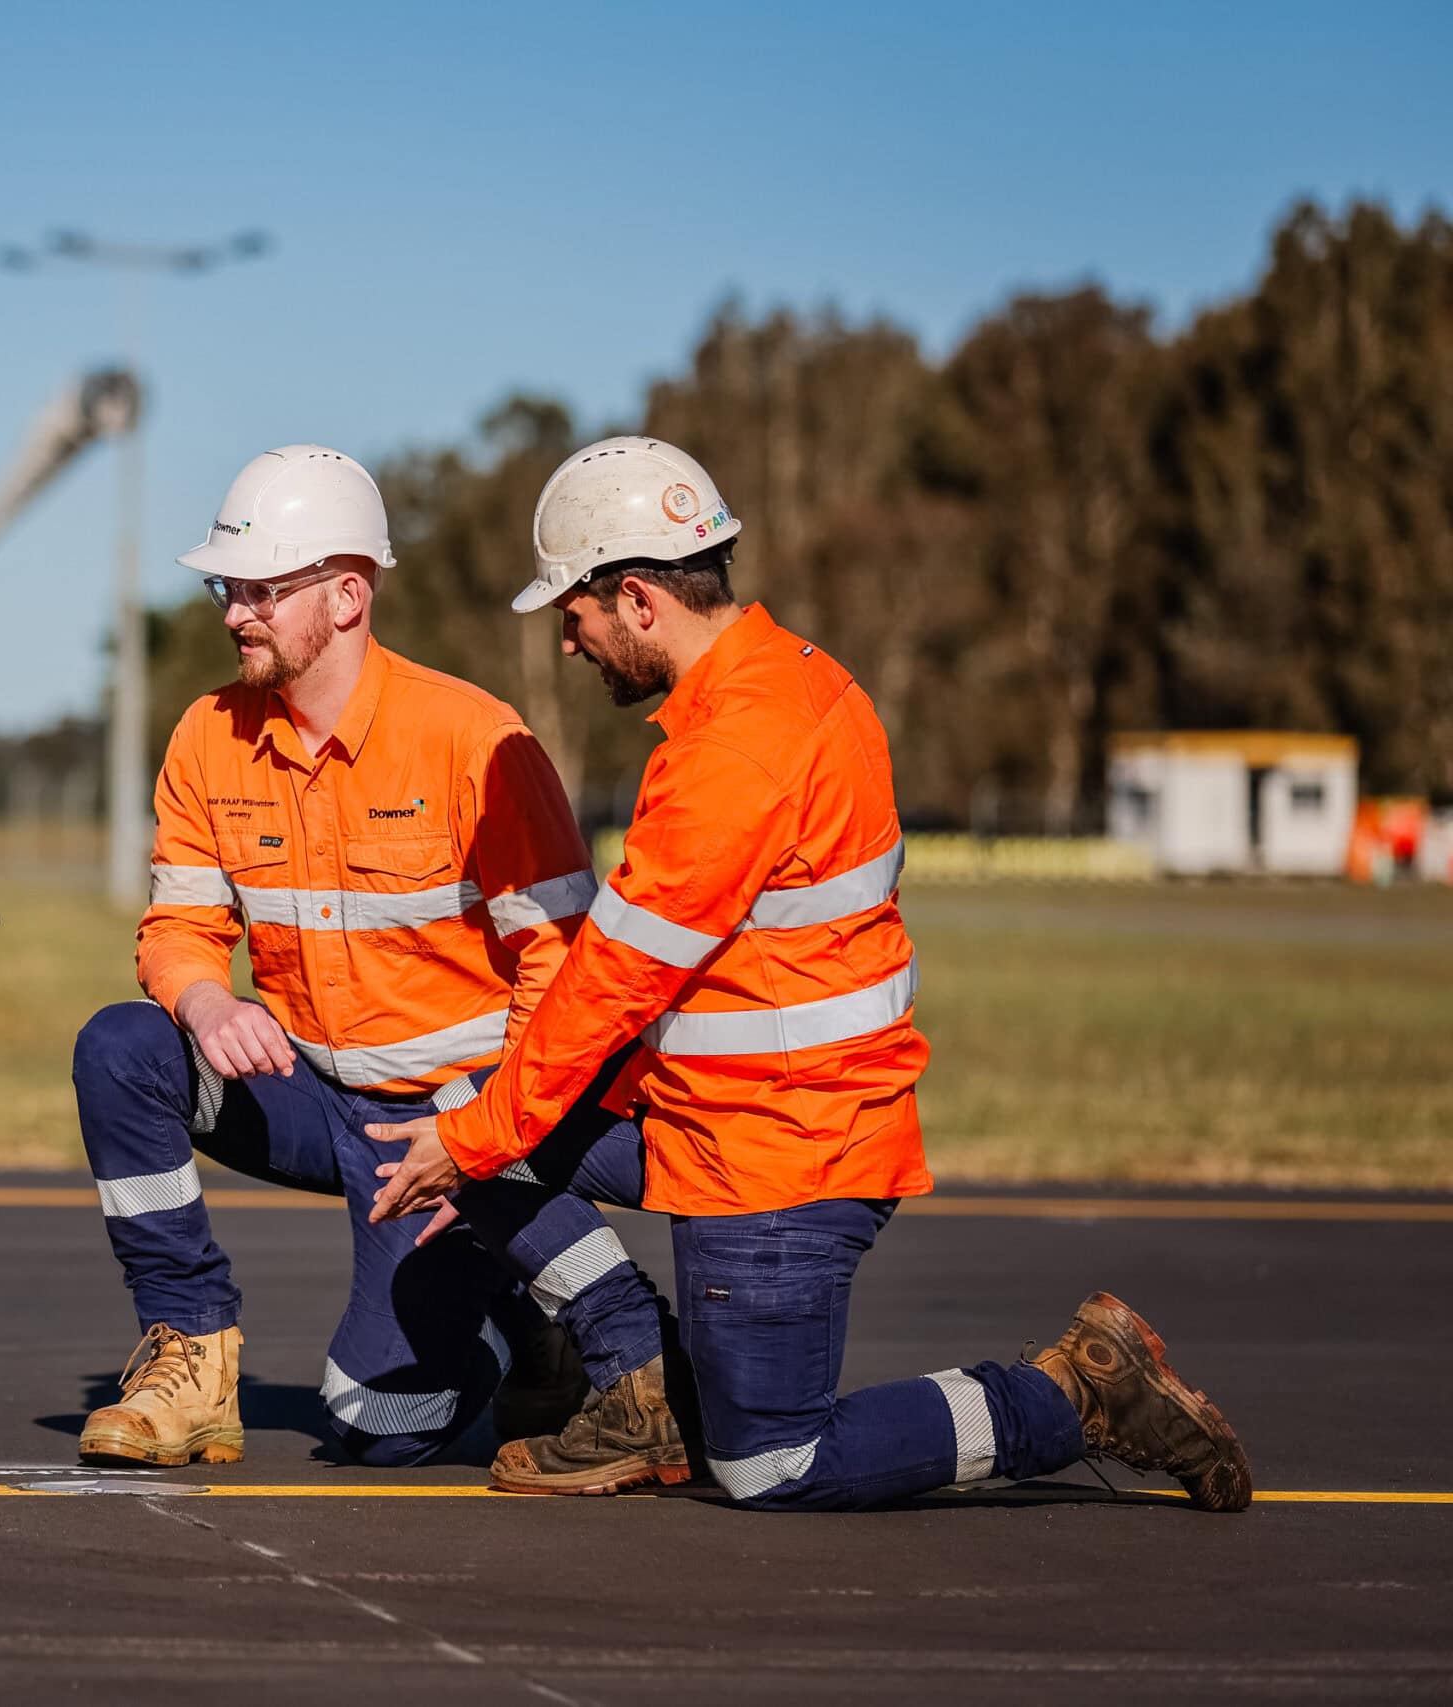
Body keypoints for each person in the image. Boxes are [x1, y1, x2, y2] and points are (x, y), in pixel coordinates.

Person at [364, 437, 1252, 1510]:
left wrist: (468, 1142)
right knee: (478, 1111)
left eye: (573, 614)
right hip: (710, 1116)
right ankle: (643, 1383)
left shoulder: (732, 752)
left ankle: (1074, 1399)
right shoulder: (797, 683)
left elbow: (612, 982)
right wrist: (479, 1129)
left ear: (638, 601)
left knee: (770, 1464)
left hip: (783, 1149)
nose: (568, 642)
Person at [72, 444, 669, 1468]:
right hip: (311, 1097)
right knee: (121, 1048)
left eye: (262, 590)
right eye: (228, 587)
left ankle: (530, 1321)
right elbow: (177, 931)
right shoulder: (206, 737)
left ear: (347, 596)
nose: (233, 613)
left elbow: (561, 972)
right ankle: (192, 1352)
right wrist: (208, 1004)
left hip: (461, 1115)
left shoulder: (473, 740)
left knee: (373, 1425)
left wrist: (482, 1132)